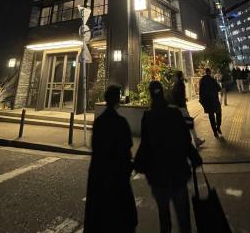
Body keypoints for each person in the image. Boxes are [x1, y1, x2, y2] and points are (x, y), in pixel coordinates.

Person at [134, 81, 201, 233]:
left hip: (157, 175)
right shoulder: (174, 113)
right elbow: (185, 139)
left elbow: (145, 144)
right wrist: (194, 156)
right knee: (183, 217)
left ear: (151, 95)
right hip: (178, 172)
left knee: (164, 216)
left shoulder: (148, 116)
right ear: (163, 93)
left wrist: (138, 164)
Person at [84, 85, 137, 233]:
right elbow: (127, 150)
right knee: (120, 218)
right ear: (117, 100)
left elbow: (95, 147)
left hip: (99, 176)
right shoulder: (121, 122)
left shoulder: (99, 122)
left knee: (99, 217)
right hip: (117, 177)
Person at [171, 70, 205, 148]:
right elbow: (179, 95)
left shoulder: (176, 84)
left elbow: (176, 95)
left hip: (178, 107)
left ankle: (191, 141)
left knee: (184, 124)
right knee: (189, 123)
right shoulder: (180, 84)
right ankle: (195, 141)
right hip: (181, 107)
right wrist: (183, 102)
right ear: (181, 76)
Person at [199, 68, 222, 138]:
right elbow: (219, 88)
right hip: (215, 100)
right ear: (210, 72)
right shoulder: (213, 80)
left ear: (205, 72)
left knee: (211, 117)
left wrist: (202, 100)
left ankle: (215, 132)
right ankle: (218, 127)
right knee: (218, 113)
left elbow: (200, 92)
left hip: (207, 102)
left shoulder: (201, 80)